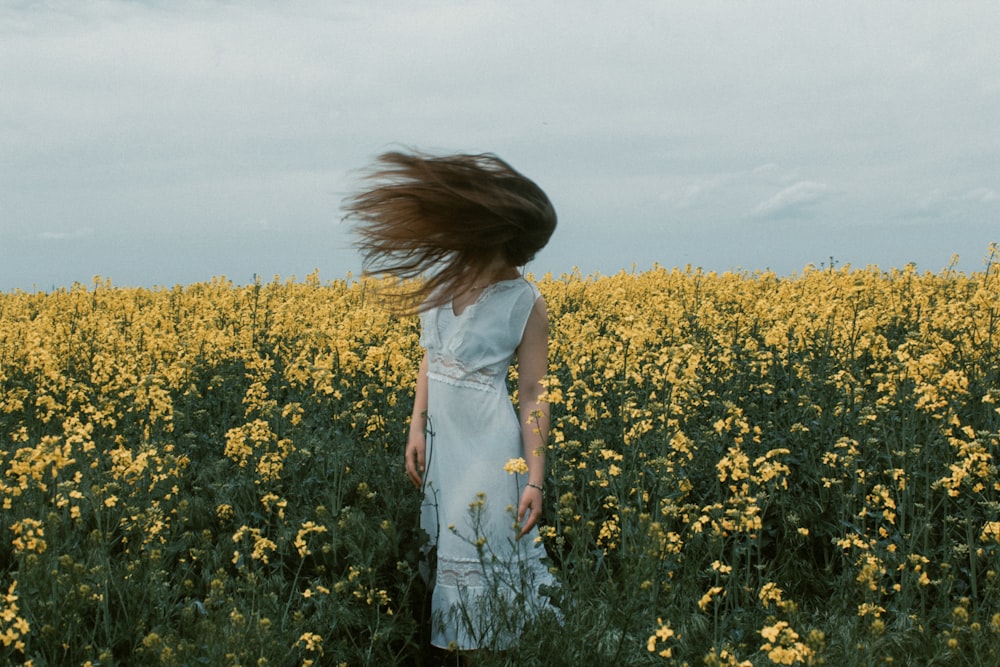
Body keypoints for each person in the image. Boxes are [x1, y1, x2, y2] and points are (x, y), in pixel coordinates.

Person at [346, 149, 560, 652]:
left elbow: (533, 393)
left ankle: (489, 653)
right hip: (446, 448)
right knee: (450, 561)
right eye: (527, 243)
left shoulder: (526, 301)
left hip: (490, 449)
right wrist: (416, 427)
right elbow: (430, 359)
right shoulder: (443, 280)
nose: (527, 257)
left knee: (481, 560)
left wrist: (535, 478)